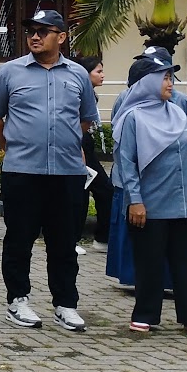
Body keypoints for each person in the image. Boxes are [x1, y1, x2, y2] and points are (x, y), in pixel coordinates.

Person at [0, 9, 97, 333]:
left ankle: (65, 304)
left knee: (64, 242)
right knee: (19, 239)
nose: (34, 36)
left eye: (43, 31)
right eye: (31, 30)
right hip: (22, 171)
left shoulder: (78, 74)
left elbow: (85, 118)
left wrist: (65, 142)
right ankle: (17, 300)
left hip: (67, 172)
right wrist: (12, 146)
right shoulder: (10, 72)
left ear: (61, 37)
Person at [111, 48, 187, 336]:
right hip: (149, 205)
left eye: (170, 77)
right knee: (149, 262)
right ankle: (146, 313)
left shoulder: (178, 114)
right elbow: (127, 164)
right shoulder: (132, 118)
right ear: (147, 82)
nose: (170, 83)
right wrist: (135, 201)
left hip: (183, 203)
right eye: (165, 77)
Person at [69, 55, 112, 254]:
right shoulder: (77, 94)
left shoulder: (91, 95)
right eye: (98, 71)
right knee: (82, 192)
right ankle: (72, 240)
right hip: (77, 145)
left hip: (87, 145)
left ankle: (103, 238)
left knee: (104, 190)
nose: (102, 75)